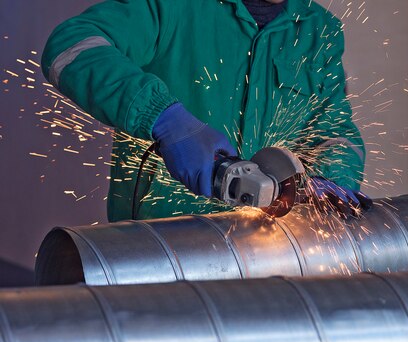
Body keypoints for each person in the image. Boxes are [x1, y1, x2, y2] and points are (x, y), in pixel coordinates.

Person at [42, 0, 370, 221]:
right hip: (158, 244)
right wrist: (163, 118)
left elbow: (335, 133)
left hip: (265, 253)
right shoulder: (173, 7)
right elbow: (71, 47)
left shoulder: (319, 31)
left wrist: (330, 179)